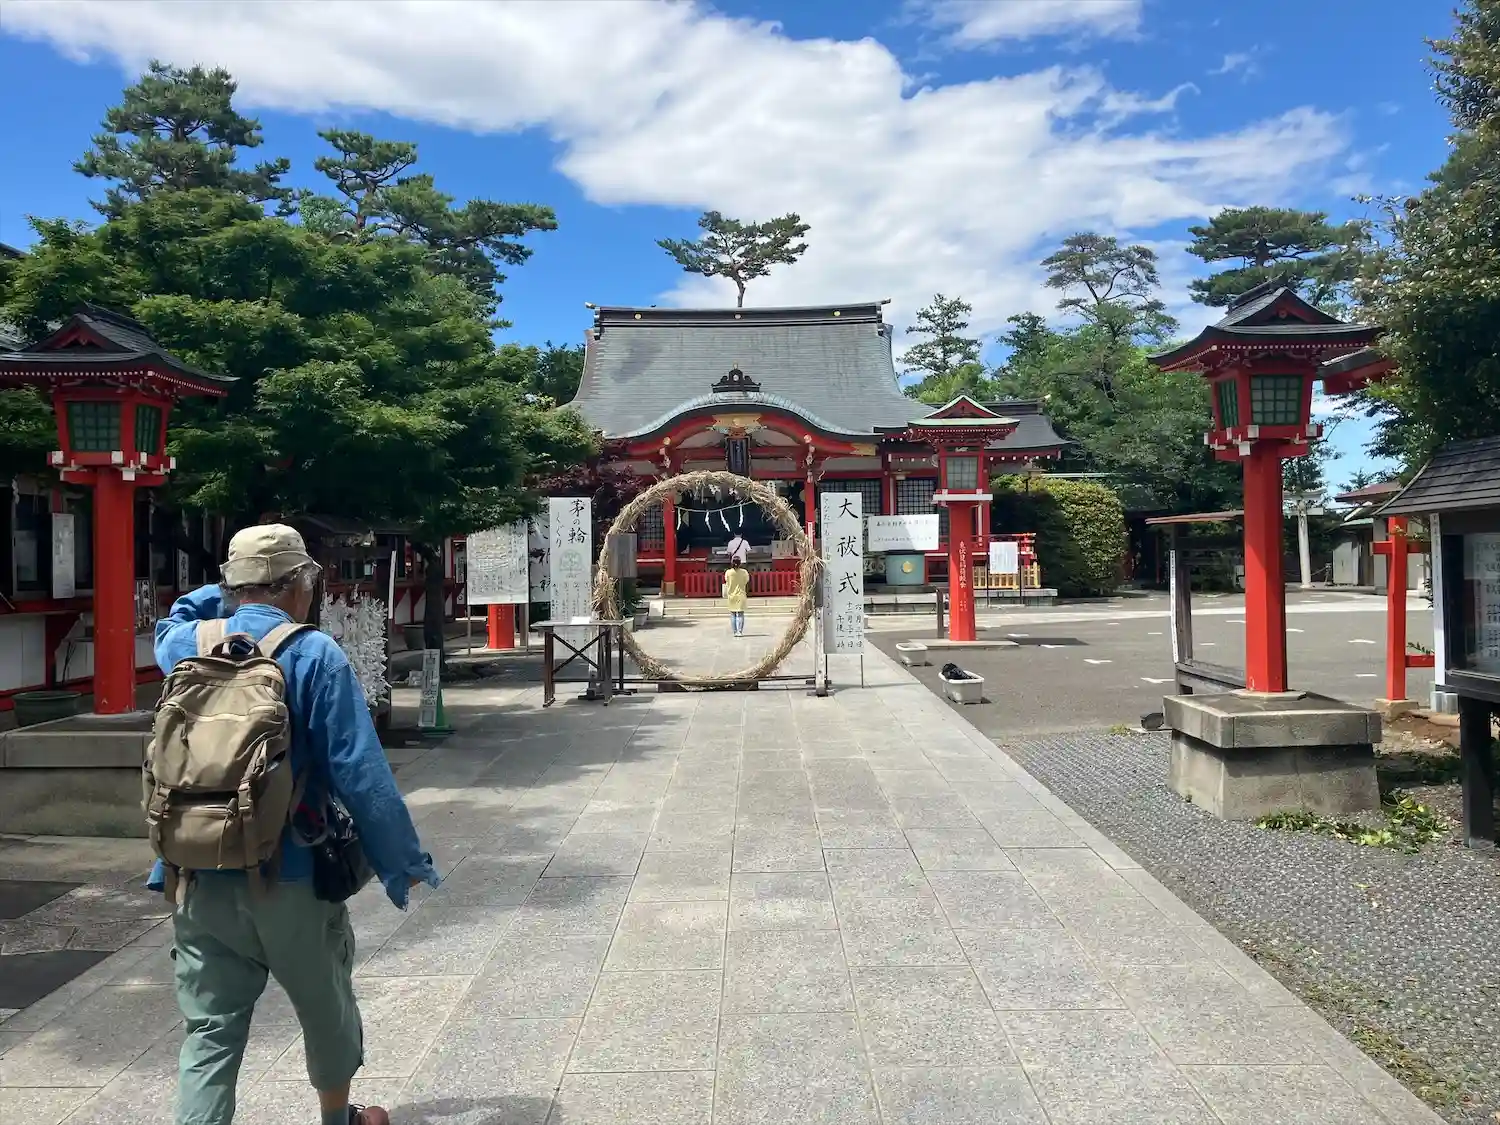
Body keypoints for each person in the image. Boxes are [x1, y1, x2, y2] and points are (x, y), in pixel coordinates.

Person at [150, 524, 438, 1125]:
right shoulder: (313, 654)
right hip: (293, 873)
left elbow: (174, 617)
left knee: (211, 1027)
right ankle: (338, 1119)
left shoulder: (185, 646)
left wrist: (224, 594)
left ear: (235, 585)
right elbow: (359, 771)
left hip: (198, 872)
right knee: (324, 1005)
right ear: (300, 585)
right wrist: (403, 863)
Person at [723, 559, 749, 636]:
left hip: (731, 595)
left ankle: (734, 631)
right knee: (740, 614)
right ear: (740, 563)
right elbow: (746, 581)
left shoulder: (728, 572)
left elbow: (726, 580)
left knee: (733, 614)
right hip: (741, 594)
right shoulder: (744, 572)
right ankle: (740, 631)